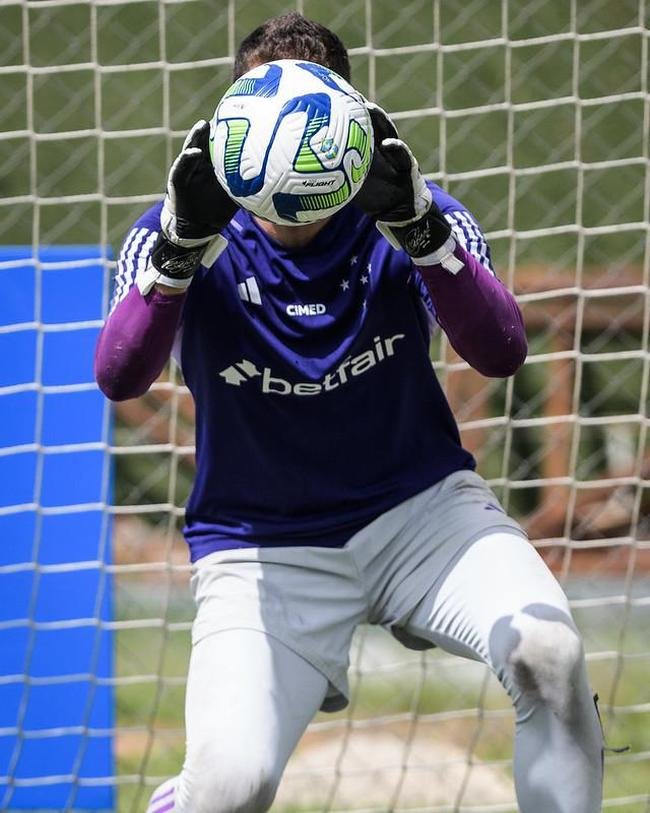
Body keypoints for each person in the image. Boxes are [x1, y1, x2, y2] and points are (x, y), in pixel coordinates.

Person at [95, 12, 604, 813]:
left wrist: (423, 229)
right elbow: (120, 375)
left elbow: (501, 351)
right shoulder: (181, 228)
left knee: (550, 652)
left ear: (348, 125)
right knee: (230, 786)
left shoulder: (412, 215)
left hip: (422, 516)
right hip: (264, 547)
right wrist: (177, 251)